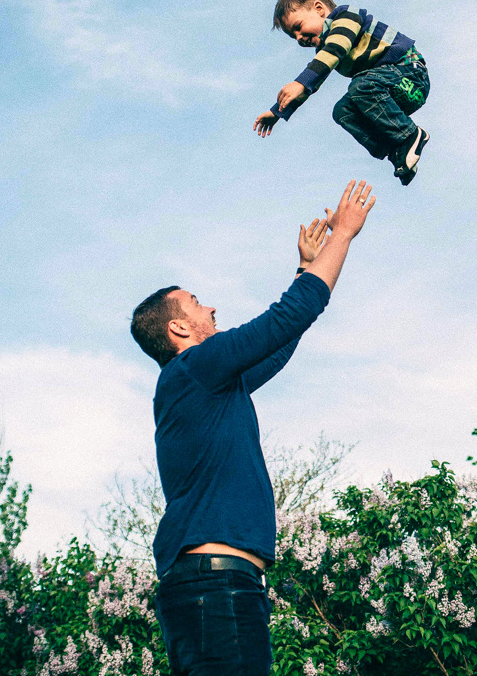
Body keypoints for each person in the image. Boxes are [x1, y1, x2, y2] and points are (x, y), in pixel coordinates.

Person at [129, 180, 376, 676]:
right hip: (213, 586)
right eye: (197, 303)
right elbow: (290, 314)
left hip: (216, 584)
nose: (211, 308)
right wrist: (343, 235)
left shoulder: (207, 384)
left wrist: (307, 267)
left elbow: (280, 343)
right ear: (179, 328)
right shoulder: (195, 367)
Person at [253, 0, 431, 186]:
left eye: (299, 27)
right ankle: (397, 150)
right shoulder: (325, 51)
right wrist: (278, 111)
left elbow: (335, 49)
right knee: (343, 110)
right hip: (390, 90)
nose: (299, 38)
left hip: (410, 76)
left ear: (319, 8)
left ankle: (409, 134)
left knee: (361, 86)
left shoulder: (346, 18)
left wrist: (299, 82)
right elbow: (313, 84)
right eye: (294, 36)